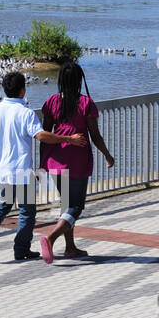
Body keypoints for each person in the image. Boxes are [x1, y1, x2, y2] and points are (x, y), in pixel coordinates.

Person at [0, 71, 86, 263]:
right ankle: (21, 249)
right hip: (20, 170)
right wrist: (69, 139)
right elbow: (41, 135)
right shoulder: (25, 113)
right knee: (27, 211)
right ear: (23, 90)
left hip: (0, 170)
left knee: (2, 205)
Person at [38, 62, 114, 264]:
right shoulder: (85, 103)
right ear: (79, 80)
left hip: (55, 159)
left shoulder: (51, 102)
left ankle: (70, 248)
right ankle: (50, 238)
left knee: (66, 206)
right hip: (77, 160)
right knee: (76, 207)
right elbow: (95, 136)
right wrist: (107, 155)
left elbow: (46, 135)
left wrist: (42, 161)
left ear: (60, 80)